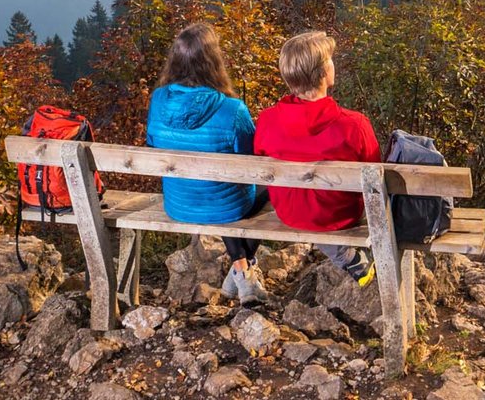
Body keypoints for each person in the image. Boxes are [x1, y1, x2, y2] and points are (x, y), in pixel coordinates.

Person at [144, 22, 267, 303]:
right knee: (267, 185)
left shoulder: (159, 99)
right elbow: (251, 162)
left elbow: (152, 142)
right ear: (214, 61)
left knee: (219, 190)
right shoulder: (231, 109)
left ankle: (240, 270)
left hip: (178, 203)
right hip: (225, 207)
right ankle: (244, 268)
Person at [253, 30, 377, 285]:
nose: (333, 64)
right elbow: (377, 176)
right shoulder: (354, 125)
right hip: (338, 216)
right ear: (322, 73)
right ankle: (352, 258)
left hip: (289, 212)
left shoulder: (267, 121)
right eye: (330, 59)